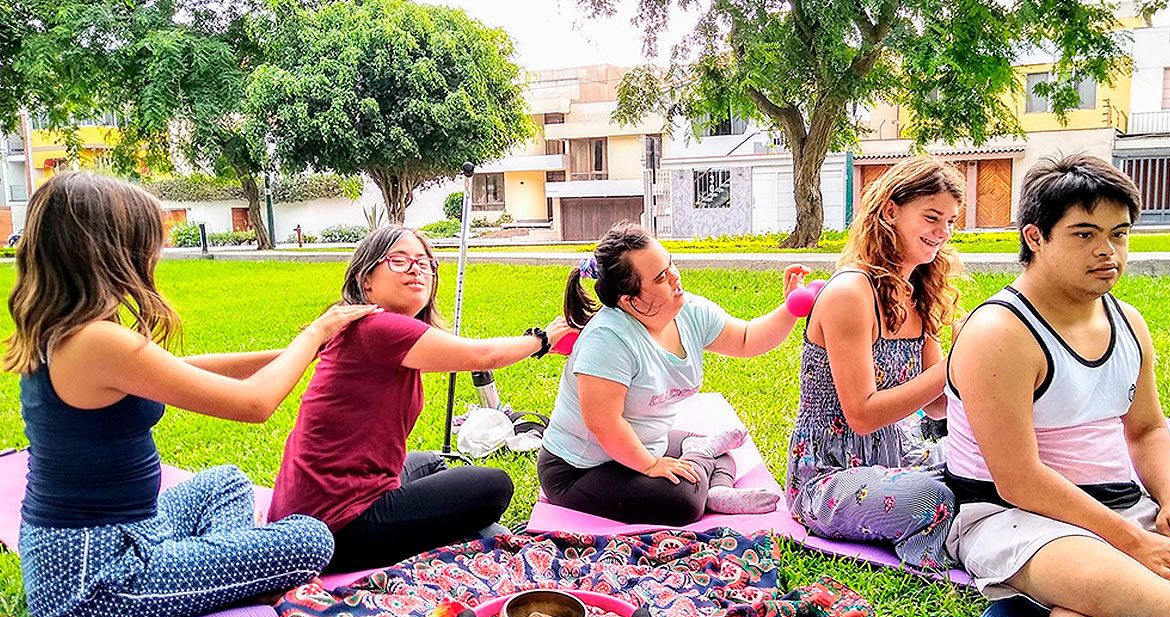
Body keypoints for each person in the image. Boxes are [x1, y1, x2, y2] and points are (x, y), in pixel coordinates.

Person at [3, 173, 364, 617]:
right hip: (93, 584)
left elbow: (179, 366)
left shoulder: (67, 327)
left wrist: (306, 351)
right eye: (146, 245)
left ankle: (224, 575)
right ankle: (232, 578)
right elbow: (253, 405)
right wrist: (313, 333)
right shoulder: (94, 340)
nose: (153, 258)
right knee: (311, 539)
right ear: (110, 250)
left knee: (226, 483)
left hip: (126, 532)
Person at [946, 154, 1170, 617]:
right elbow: (1019, 481)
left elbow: (1148, 429)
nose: (1107, 252)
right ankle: (1105, 612)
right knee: (1155, 596)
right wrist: (1138, 545)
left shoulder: (1128, 322)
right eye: (1084, 234)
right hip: (1017, 519)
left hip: (1120, 505)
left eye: (1120, 234)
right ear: (1035, 237)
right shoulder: (999, 333)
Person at [268, 225, 574, 573]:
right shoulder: (379, 328)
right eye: (398, 261)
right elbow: (482, 355)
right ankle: (467, 534)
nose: (416, 269)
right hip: (335, 529)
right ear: (365, 280)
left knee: (428, 462)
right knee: (494, 485)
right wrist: (544, 338)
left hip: (312, 507)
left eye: (424, 262)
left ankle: (461, 530)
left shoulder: (361, 329)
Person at [538, 221, 809, 525]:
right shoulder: (607, 339)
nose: (675, 277)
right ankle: (703, 483)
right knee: (681, 503)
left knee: (721, 451)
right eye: (661, 277)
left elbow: (746, 339)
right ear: (631, 300)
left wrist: (790, 308)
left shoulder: (689, 311)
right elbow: (604, 422)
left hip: (648, 442)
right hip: (581, 468)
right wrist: (651, 465)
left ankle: (716, 490)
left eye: (671, 265)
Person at [785, 156, 964, 570]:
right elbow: (862, 415)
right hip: (829, 477)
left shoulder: (919, 293)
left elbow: (936, 406)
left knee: (1001, 466)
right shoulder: (851, 292)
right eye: (932, 217)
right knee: (932, 499)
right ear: (890, 211)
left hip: (901, 457)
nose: (943, 232)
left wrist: (981, 370)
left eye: (951, 221)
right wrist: (954, 364)